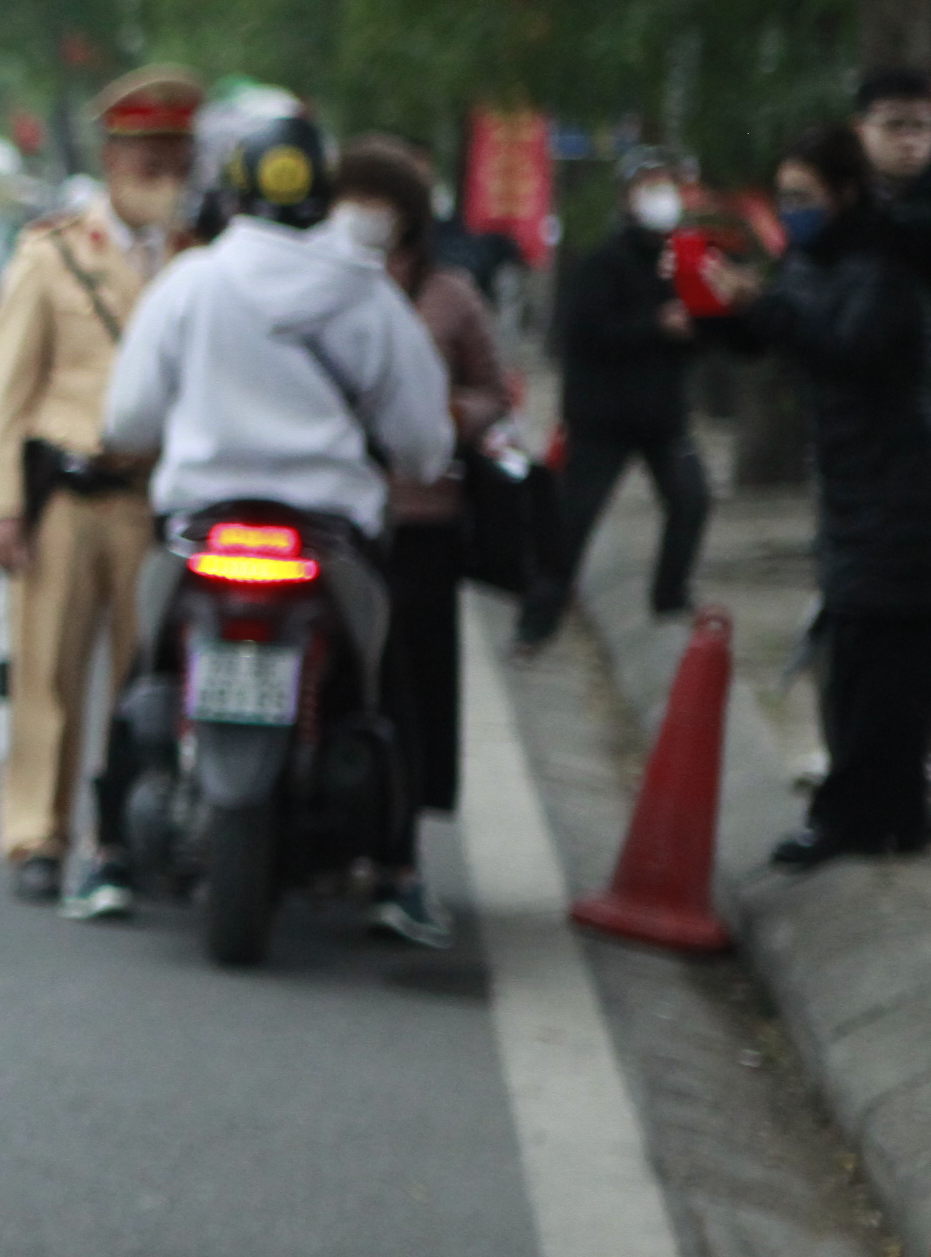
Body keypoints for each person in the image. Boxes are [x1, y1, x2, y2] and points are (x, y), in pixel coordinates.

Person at [96, 107, 455, 853]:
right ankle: (397, 873)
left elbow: (127, 421)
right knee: (382, 687)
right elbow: (424, 445)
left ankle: (110, 858)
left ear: (231, 195)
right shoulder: (369, 295)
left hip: (201, 526)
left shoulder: (191, 284)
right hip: (329, 536)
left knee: (144, 669)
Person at [0, 68, 199, 912]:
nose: (161, 173)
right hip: (67, 496)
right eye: (146, 154)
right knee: (49, 676)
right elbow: (6, 394)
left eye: (175, 156)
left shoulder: (202, 259)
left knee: (147, 682)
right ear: (111, 158)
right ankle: (37, 834)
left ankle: (125, 835)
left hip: (159, 502)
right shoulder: (54, 252)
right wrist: (5, 507)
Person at [706, 124, 931, 866]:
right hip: (848, 484)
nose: (792, 209)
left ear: (842, 192)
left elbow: (850, 350)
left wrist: (766, 311)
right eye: (785, 196)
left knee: (876, 656)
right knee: (864, 650)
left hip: (898, 485)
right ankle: (885, 812)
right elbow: (786, 334)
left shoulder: (884, 265)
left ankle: (857, 816)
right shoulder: (814, 258)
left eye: (804, 196)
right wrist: (728, 311)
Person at [337, 137, 508, 949]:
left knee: (412, 696)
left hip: (419, 525)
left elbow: (493, 390)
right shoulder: (314, 288)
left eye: (381, 202)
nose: (365, 218)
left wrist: (451, 421)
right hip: (335, 517)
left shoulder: (447, 296)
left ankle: (400, 862)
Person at [512, 149, 714, 649]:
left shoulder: (684, 260)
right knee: (573, 522)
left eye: (667, 184)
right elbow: (586, 335)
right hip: (601, 418)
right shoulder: (603, 263)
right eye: (649, 185)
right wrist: (654, 327)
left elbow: (702, 336)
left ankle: (669, 599)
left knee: (691, 500)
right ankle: (537, 623)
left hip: (662, 419)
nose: (660, 196)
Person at [861, 64, 931, 280]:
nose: (909, 141)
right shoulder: (839, 201)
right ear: (860, 129)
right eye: (894, 125)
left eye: (920, 126)